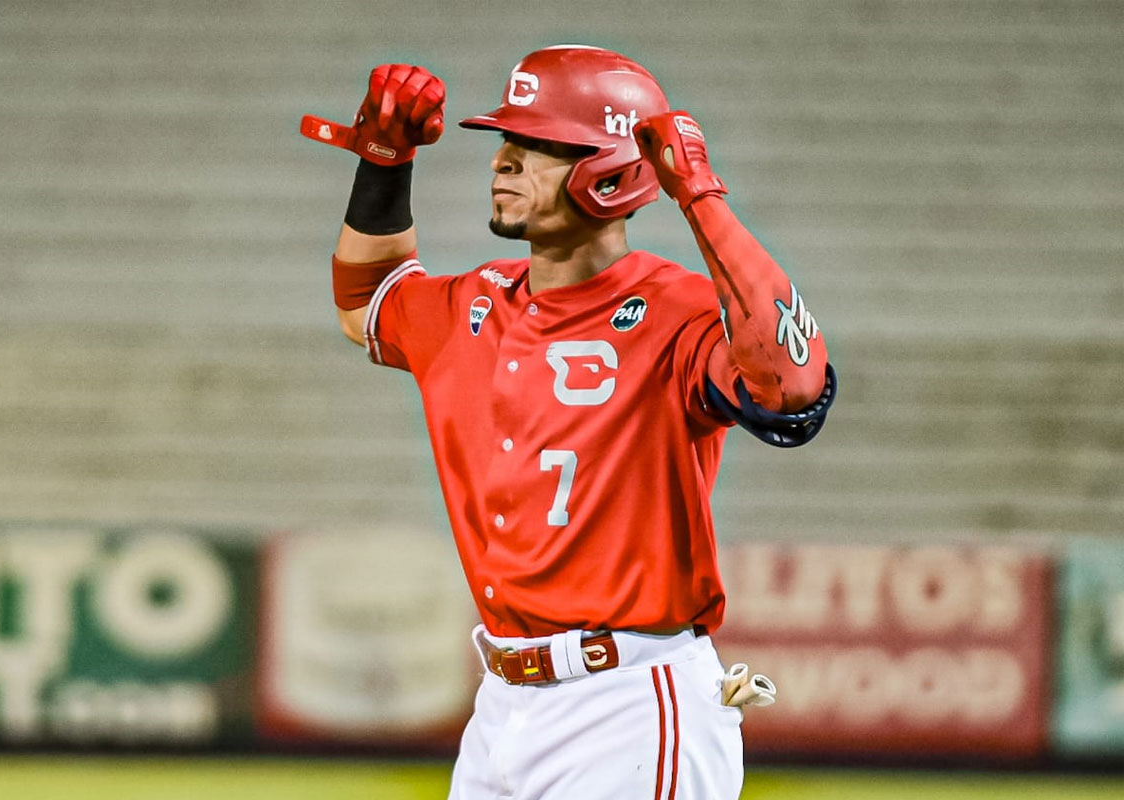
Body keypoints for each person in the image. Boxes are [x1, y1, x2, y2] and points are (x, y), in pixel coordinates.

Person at [308, 44, 835, 800]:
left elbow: (792, 386)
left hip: (628, 699)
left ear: (612, 171)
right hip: (502, 703)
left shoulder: (676, 311)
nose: (504, 162)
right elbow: (367, 302)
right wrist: (385, 164)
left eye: (538, 147)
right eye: (506, 142)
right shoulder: (474, 303)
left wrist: (702, 196)